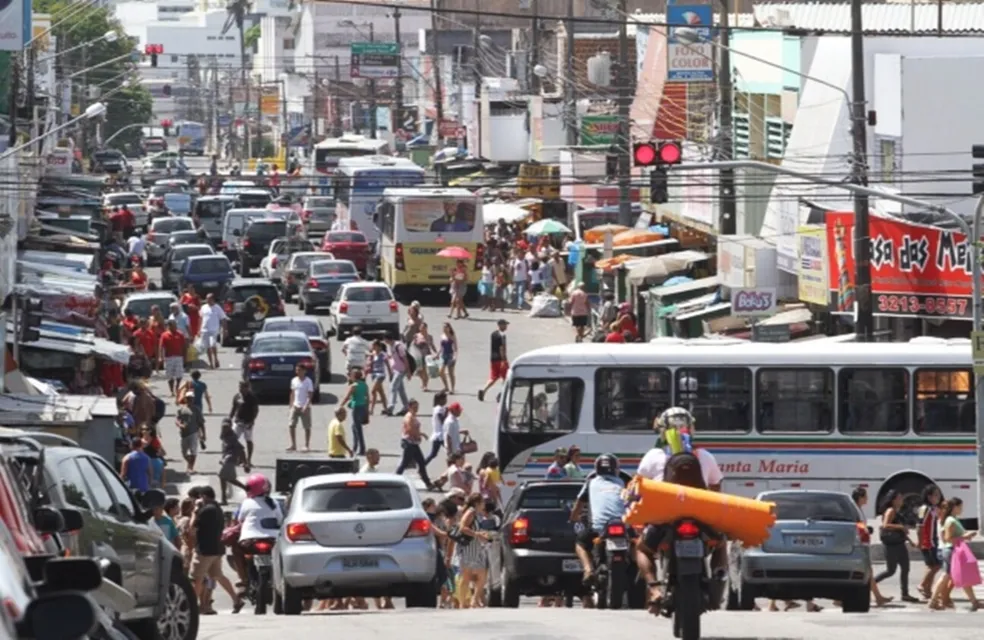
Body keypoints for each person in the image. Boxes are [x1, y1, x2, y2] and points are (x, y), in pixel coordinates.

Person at [634, 407, 725, 611]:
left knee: (642, 548)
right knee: (720, 544)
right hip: (701, 516)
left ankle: (654, 588)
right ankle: (719, 575)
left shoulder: (653, 455)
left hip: (665, 517)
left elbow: (640, 487)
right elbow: (716, 487)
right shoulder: (704, 455)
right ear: (691, 429)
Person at [568, 454, 628, 585]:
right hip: (623, 525)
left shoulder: (591, 482)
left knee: (580, 543)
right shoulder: (623, 482)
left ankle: (588, 570)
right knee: (635, 546)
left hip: (598, 527)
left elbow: (579, 504)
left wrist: (573, 518)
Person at [190, 485, 244, 613]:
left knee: (196, 578)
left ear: (203, 497)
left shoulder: (205, 510)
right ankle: (236, 600)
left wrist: (195, 510)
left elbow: (192, 527)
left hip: (204, 550)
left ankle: (191, 605)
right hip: (217, 549)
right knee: (217, 575)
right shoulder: (218, 509)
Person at [930, 497, 981, 610]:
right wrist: (965, 536)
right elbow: (948, 538)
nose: (961, 509)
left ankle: (974, 602)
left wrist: (966, 535)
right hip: (952, 551)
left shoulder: (952, 519)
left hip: (953, 550)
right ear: (955, 507)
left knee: (961, 576)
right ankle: (933, 601)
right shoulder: (950, 521)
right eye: (960, 507)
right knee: (946, 576)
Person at [875, 489, 919, 602]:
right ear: (893, 500)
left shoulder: (896, 511)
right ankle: (871, 584)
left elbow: (901, 530)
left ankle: (905, 594)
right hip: (891, 545)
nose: (901, 500)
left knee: (905, 568)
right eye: (899, 498)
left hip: (900, 544)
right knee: (891, 571)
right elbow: (885, 525)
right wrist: (901, 527)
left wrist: (910, 540)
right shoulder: (890, 510)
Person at [394, 399, 434, 489]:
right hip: (409, 443)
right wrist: (418, 435)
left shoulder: (413, 416)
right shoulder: (409, 417)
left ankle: (428, 483)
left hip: (413, 443)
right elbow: (409, 429)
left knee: (421, 462)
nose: (416, 409)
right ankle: (395, 479)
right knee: (405, 463)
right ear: (409, 407)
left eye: (417, 407)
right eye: (414, 407)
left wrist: (420, 435)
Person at [230, 381, 259, 469]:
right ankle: (238, 458)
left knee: (248, 440)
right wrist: (229, 419)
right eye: (239, 387)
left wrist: (252, 421)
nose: (240, 389)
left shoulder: (252, 397)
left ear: (247, 388)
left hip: (248, 422)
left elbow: (256, 410)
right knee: (233, 440)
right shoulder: (237, 396)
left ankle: (248, 460)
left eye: (242, 387)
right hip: (238, 421)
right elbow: (234, 408)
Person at [340, 369, 370, 456]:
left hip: (356, 408)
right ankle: (355, 446)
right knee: (354, 427)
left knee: (358, 428)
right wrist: (367, 410)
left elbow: (347, 397)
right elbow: (367, 398)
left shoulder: (354, 386)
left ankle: (362, 448)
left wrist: (341, 405)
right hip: (363, 407)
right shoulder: (364, 385)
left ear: (354, 376)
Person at [477, 319, 508, 402]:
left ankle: (483, 390)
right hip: (500, 360)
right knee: (506, 378)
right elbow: (502, 348)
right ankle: (501, 394)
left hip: (493, 359)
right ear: (500, 325)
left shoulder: (493, 334)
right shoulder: (502, 336)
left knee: (493, 377)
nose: (506, 326)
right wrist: (504, 360)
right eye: (505, 325)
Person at [218, 418, 247, 504]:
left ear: (230, 427)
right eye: (223, 426)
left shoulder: (232, 437)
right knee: (229, 478)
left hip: (230, 460)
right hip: (227, 460)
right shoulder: (225, 435)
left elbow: (241, 450)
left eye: (227, 427)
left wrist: (245, 463)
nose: (225, 428)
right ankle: (247, 489)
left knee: (222, 477)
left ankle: (224, 499)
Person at [287, 363, 314, 452]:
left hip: (305, 406)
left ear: (304, 371)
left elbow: (310, 395)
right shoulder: (294, 380)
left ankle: (306, 445)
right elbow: (292, 393)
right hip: (295, 406)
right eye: (296, 370)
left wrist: (306, 406)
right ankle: (293, 445)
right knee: (291, 425)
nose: (297, 372)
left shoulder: (308, 381)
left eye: (299, 370)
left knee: (306, 426)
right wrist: (291, 405)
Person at [383, 333, 411, 417]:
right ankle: (406, 407)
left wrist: (408, 371)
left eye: (385, 339)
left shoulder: (398, 346)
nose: (384, 341)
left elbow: (405, 359)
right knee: (400, 389)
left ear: (388, 339)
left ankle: (390, 407)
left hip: (401, 370)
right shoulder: (391, 346)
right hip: (396, 369)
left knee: (393, 386)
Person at [176, 393, 204, 474]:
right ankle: (190, 464)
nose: (190, 400)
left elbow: (201, 423)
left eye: (191, 398)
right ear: (185, 399)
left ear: (193, 399)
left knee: (193, 451)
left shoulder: (196, 410)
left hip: (193, 433)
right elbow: (177, 420)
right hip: (184, 434)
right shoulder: (181, 410)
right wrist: (180, 425)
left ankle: (190, 468)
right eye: (188, 398)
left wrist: (203, 434)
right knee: (184, 453)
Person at [159, 319, 187, 396]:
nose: (175, 327)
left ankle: (177, 387)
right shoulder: (164, 335)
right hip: (169, 358)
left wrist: (185, 357)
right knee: (169, 376)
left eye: (175, 325)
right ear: (169, 326)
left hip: (179, 357)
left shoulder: (180, 334)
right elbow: (161, 347)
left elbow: (184, 346)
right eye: (172, 325)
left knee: (179, 375)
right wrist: (161, 357)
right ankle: (171, 390)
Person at [199, 293, 227, 369]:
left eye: (209, 299)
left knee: (212, 345)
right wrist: (199, 330)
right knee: (207, 347)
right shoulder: (203, 307)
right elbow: (201, 318)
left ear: (213, 299)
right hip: (204, 330)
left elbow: (223, 319)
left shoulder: (217, 308)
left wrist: (224, 330)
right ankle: (211, 363)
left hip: (213, 330)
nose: (207, 300)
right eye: (207, 299)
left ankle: (216, 359)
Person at [425, 391, 449, 465]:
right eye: (445, 399)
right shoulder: (438, 409)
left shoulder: (440, 408)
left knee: (433, 454)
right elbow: (442, 421)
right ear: (440, 400)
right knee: (450, 452)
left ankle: (422, 466)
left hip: (440, 434)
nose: (446, 401)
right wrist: (447, 412)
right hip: (439, 435)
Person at [367, 340, 390, 414]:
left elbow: (387, 364)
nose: (373, 347)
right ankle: (386, 408)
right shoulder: (373, 354)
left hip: (380, 375)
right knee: (381, 392)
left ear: (378, 346)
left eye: (374, 345)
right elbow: (369, 364)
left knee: (373, 391)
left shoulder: (383, 354)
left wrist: (390, 374)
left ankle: (371, 410)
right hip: (374, 375)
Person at [413, 323, 437, 391]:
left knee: (424, 371)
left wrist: (436, 353)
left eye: (423, 327)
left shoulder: (429, 336)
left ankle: (425, 385)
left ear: (426, 328)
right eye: (421, 327)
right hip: (418, 355)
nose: (422, 328)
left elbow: (432, 345)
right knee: (419, 371)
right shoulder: (416, 335)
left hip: (426, 355)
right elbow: (414, 345)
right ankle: (423, 382)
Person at [438, 323, 457, 394]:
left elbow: (455, 347)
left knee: (450, 373)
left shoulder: (452, 336)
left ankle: (452, 389)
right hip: (443, 355)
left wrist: (455, 356)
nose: (445, 329)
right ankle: (446, 386)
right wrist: (437, 354)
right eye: (444, 327)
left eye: (446, 327)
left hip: (450, 355)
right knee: (440, 372)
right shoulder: (442, 336)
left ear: (449, 328)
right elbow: (441, 347)